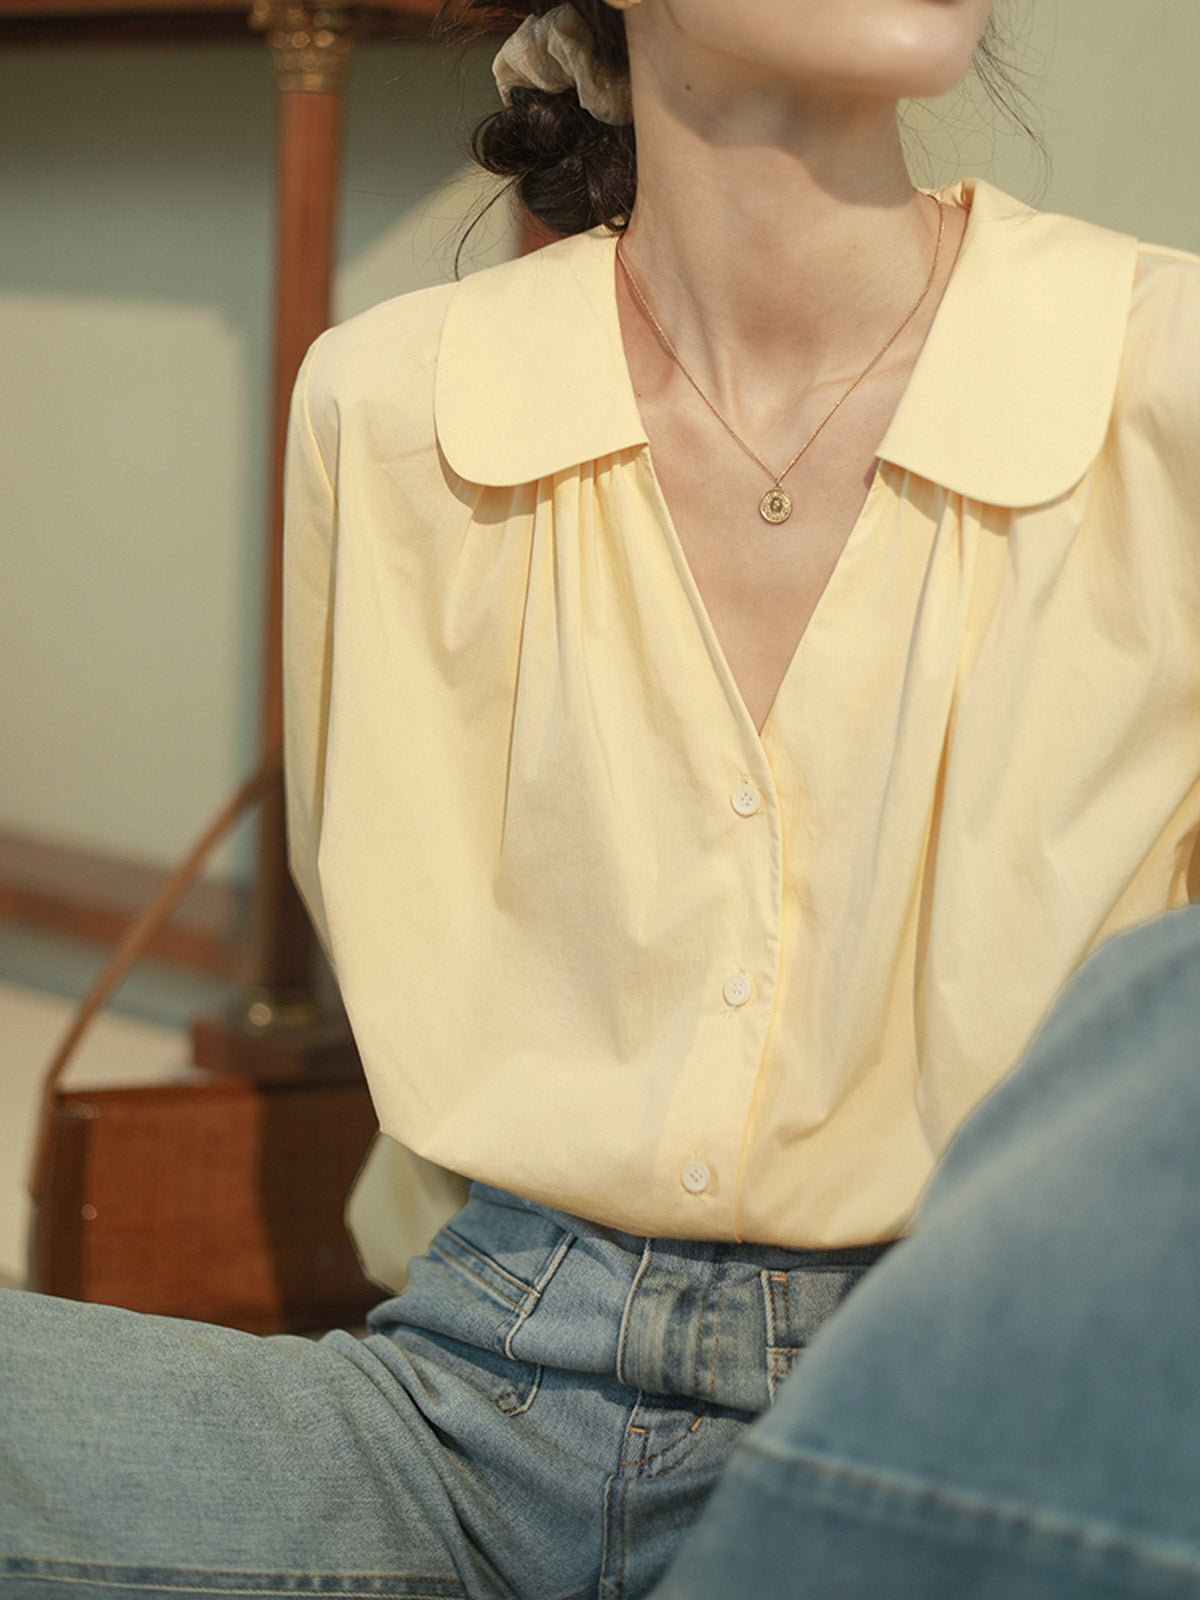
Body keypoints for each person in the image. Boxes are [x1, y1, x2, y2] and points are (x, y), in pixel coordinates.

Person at [2, 2, 1198, 1597]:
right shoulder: (391, 405)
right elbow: (394, 941)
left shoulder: (1164, 376)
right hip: (473, 1403)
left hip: (958, 1416)